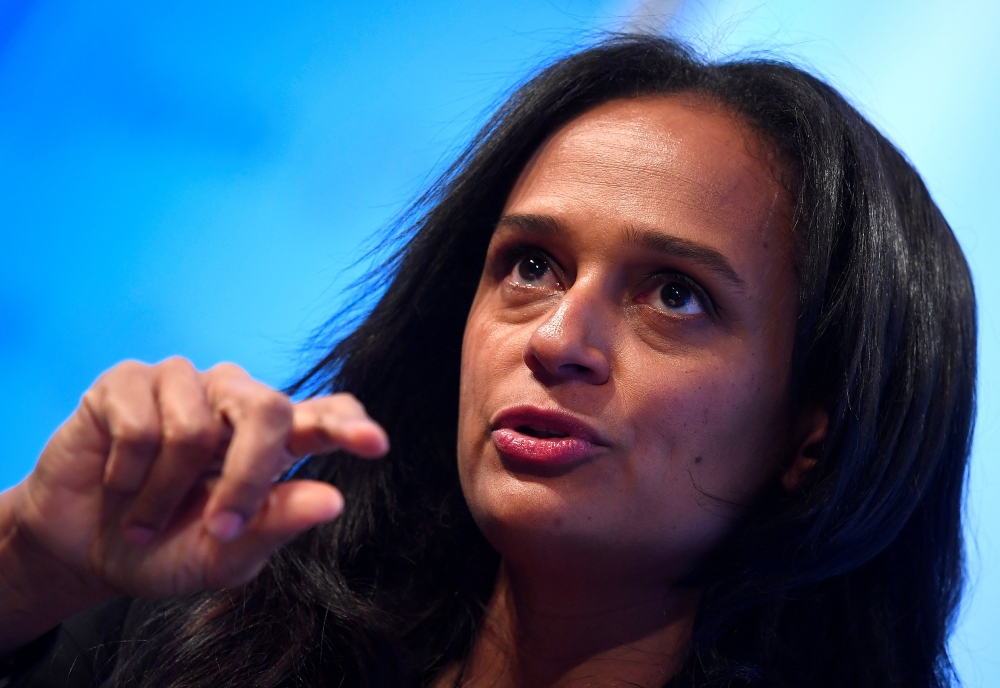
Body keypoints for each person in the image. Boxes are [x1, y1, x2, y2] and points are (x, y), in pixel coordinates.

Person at [0, 35, 975, 688]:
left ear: (815, 427)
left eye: (675, 294)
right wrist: (32, 563)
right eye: (531, 265)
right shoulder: (203, 634)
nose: (556, 339)